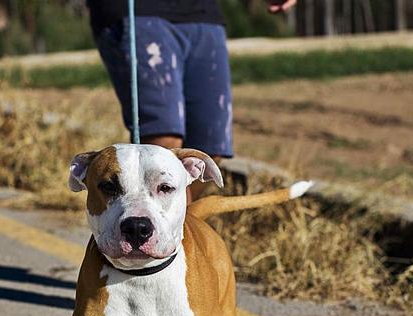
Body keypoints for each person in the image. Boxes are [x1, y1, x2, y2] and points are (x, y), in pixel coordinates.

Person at [87, 0, 296, 200]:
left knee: (209, 148)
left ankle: (172, 217)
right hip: (138, 12)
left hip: (203, 14)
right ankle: (165, 223)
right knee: (162, 141)